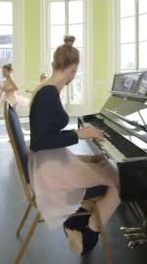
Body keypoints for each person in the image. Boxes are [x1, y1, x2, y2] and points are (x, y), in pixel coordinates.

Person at [28, 35, 120, 255]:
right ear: (72, 68)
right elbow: (40, 141)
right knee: (121, 180)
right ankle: (90, 232)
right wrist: (80, 134)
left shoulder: (48, 89)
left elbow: (49, 133)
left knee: (101, 162)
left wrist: (81, 136)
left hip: (51, 161)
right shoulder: (48, 94)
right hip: (49, 168)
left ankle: (75, 224)